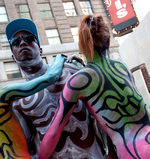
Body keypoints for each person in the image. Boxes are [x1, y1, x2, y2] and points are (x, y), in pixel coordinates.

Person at [38, 14, 150, 159]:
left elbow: (54, 132)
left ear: (81, 45)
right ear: (108, 42)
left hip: (133, 151)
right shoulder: (122, 67)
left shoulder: (78, 81)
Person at [5, 18, 115, 159]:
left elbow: (102, 113)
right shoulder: (18, 99)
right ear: (13, 57)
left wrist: (111, 153)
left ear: (40, 49)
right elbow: (29, 145)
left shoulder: (71, 69)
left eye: (29, 38)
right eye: (16, 42)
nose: (22, 42)